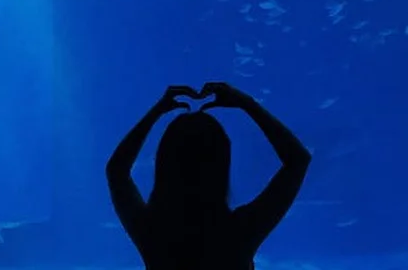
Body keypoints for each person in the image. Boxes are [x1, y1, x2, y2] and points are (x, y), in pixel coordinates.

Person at [106, 82, 312, 270]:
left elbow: (116, 171)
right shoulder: (239, 232)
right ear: (222, 161)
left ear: (162, 161)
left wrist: (156, 111)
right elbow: (297, 161)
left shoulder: (152, 233)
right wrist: (247, 104)